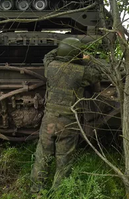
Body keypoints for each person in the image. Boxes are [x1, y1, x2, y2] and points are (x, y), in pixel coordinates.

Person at [30, 37, 101, 194]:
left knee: (42, 155)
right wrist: (87, 58)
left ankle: (37, 191)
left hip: (49, 119)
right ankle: (59, 192)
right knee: (64, 159)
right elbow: (97, 73)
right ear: (76, 55)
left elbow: (48, 56)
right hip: (68, 122)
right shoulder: (81, 72)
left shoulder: (51, 67)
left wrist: (62, 49)